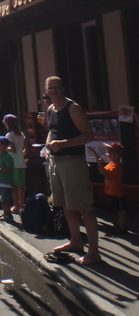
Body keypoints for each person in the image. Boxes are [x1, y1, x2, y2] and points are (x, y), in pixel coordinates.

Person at [44, 75, 100, 266]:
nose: (54, 91)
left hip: (73, 162)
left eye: (57, 88)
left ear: (63, 88)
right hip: (56, 161)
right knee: (66, 204)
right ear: (46, 91)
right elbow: (52, 130)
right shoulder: (51, 108)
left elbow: (88, 135)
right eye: (50, 88)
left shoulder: (73, 108)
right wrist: (48, 146)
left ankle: (94, 252)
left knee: (84, 206)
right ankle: (76, 241)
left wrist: (63, 144)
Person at [95, 142, 127, 234]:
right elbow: (103, 171)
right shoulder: (111, 164)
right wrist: (100, 163)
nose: (107, 154)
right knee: (119, 209)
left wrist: (99, 163)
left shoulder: (117, 166)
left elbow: (104, 173)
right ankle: (120, 225)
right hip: (114, 191)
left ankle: (122, 227)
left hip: (118, 192)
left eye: (109, 152)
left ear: (116, 155)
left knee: (121, 209)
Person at [4, 114, 27, 213]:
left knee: (14, 186)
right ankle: (21, 204)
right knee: (21, 186)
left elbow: (12, 149)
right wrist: (21, 155)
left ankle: (16, 206)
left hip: (14, 163)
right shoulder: (21, 134)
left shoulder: (9, 135)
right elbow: (25, 148)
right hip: (21, 162)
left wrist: (4, 147)